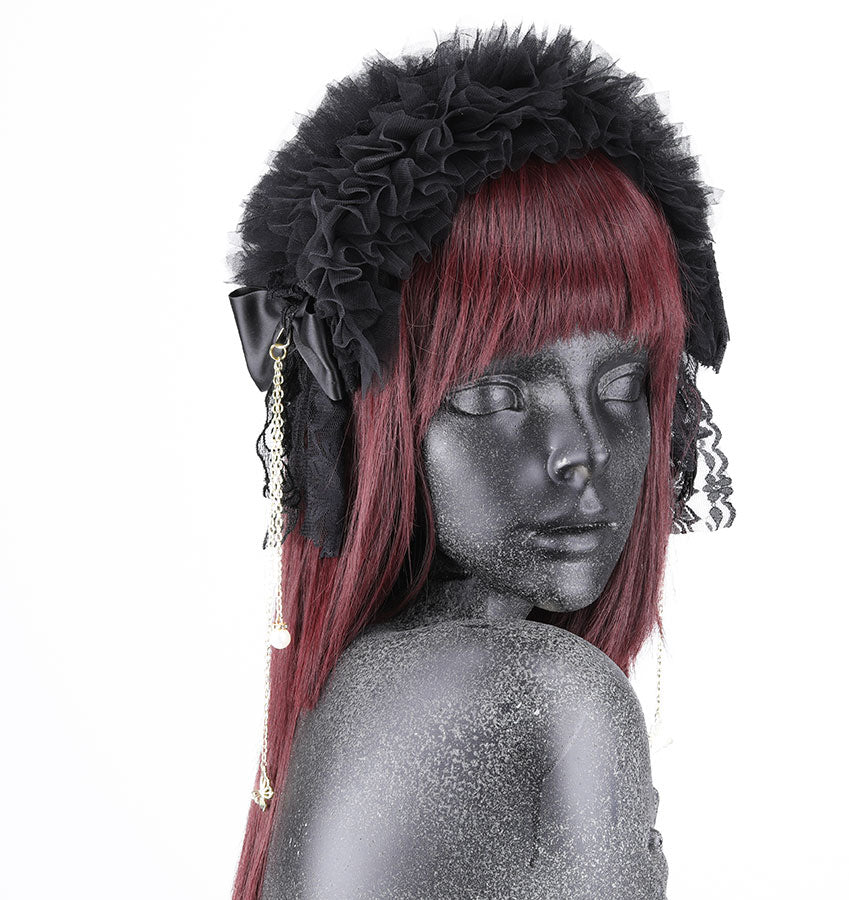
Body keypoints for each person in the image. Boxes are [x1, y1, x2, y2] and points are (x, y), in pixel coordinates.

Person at [227, 23, 733, 900]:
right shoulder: (542, 696)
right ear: (377, 427)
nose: (584, 451)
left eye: (623, 385)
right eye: (500, 397)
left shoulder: (352, 692)